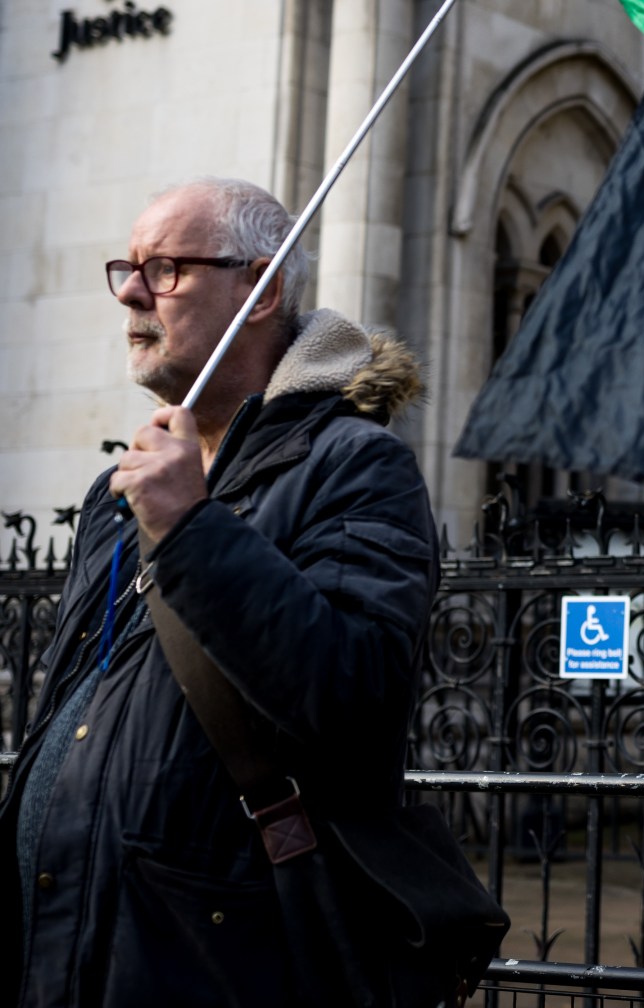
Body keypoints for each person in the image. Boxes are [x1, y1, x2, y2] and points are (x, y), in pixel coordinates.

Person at [0, 178, 438, 1006]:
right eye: (127, 268)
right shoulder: (117, 491)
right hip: (67, 946)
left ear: (259, 290)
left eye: (164, 269)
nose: (131, 294)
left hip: (207, 961)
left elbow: (355, 693)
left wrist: (192, 528)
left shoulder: (354, 465)